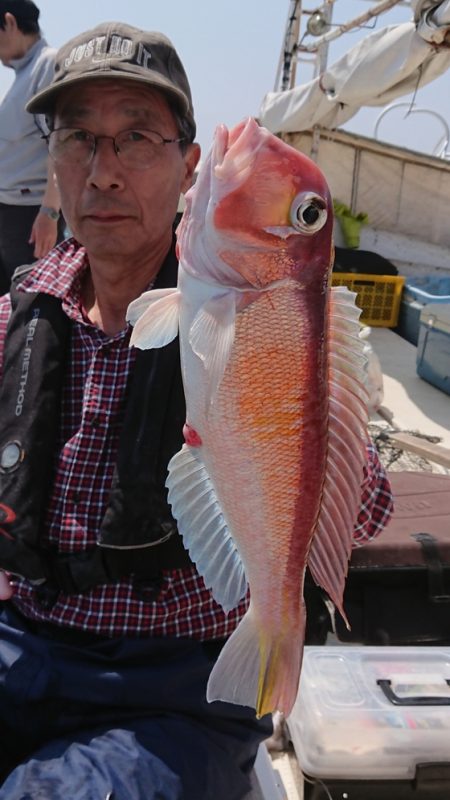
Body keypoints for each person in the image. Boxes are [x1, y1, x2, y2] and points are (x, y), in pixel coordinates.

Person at [0, 21, 394, 800]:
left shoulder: (253, 311)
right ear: (52, 159)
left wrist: (301, 395)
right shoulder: (15, 320)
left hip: (172, 687)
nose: (103, 172)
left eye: (137, 138)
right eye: (80, 138)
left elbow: (368, 502)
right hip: (20, 644)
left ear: (189, 169)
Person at [0, 0, 64, 295]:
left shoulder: (47, 65)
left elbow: (59, 142)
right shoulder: (22, 76)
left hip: (29, 218)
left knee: (25, 308)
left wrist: (49, 213)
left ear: (10, 23)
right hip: (11, 214)